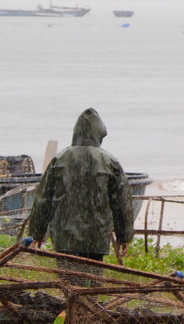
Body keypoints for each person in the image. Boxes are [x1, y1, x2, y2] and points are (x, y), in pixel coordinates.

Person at [26, 107, 135, 262]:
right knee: (93, 278)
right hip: (95, 236)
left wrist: (37, 233)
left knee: (66, 279)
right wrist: (124, 236)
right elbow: (122, 203)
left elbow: (43, 199)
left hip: (64, 236)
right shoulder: (110, 162)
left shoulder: (60, 159)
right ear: (99, 133)